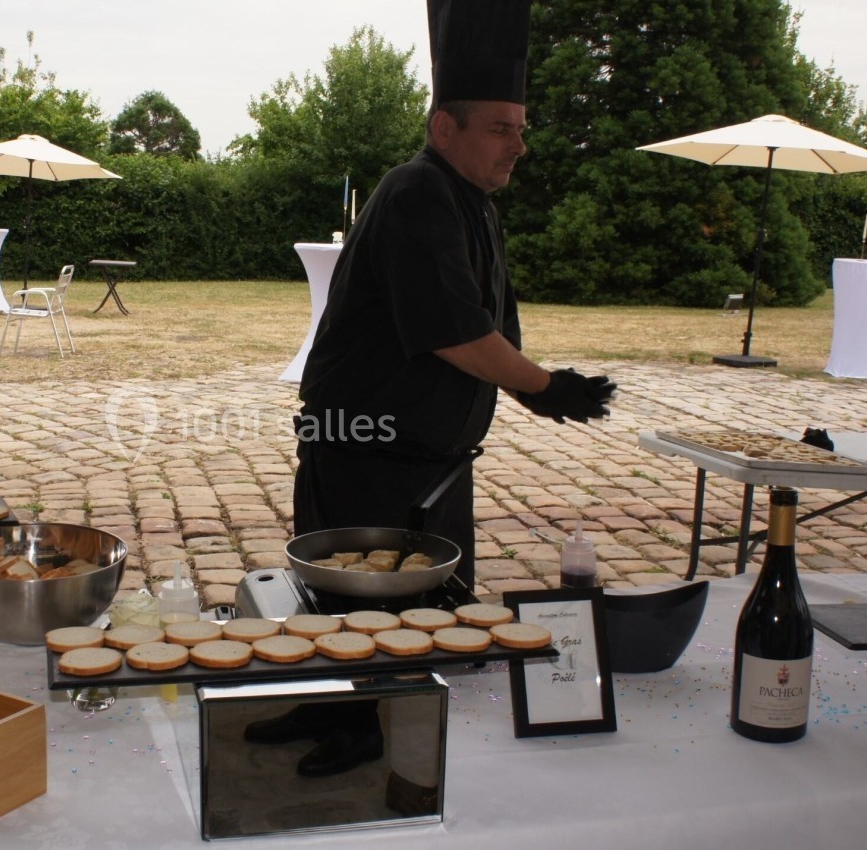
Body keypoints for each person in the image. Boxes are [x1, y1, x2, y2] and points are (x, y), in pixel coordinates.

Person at [248, 0, 616, 790]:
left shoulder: (470, 203)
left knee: (394, 607)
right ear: (444, 127)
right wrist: (548, 388)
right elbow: (452, 331)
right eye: (499, 127)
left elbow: (483, 328)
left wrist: (528, 389)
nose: (519, 144)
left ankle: (368, 713)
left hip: (419, 458)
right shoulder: (419, 192)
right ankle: (350, 722)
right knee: (353, 594)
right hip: (369, 450)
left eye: (522, 128)